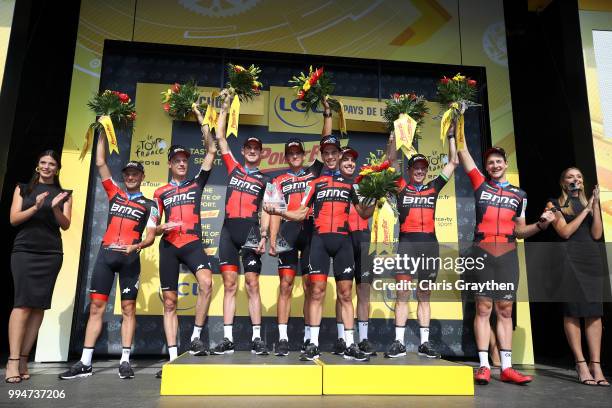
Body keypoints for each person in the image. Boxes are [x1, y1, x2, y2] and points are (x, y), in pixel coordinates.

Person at [265, 135, 375, 362]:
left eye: (335, 153)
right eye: (327, 153)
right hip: (319, 242)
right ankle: (312, 344)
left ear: (339, 155)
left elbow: (364, 213)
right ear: (323, 157)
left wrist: (373, 196)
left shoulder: (351, 184)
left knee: (346, 294)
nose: (331, 157)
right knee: (316, 292)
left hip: (343, 241)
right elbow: (300, 213)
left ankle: (350, 343)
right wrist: (279, 212)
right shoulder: (314, 183)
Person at [59, 135, 157, 380]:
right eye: (128, 173)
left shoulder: (150, 204)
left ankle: (124, 361)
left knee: (128, 308)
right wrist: (102, 130)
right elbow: (101, 162)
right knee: (96, 308)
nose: (131, 177)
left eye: (135, 174)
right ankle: (85, 362)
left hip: (129, 259)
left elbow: (151, 237)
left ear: (142, 177)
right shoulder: (115, 192)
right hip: (106, 255)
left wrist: (138, 247)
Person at [458, 140, 555, 385]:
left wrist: (542, 224)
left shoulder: (519, 195)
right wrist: (454, 127)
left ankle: (508, 368)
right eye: (490, 162)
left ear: (505, 164)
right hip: (483, 251)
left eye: (498, 161)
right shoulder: (480, 184)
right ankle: (483, 366)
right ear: (487, 167)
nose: (494, 165)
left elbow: (521, 232)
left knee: (505, 310)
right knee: (483, 309)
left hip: (508, 253)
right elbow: (463, 153)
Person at [153, 110, 217, 378]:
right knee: (169, 303)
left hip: (191, 242)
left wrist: (200, 117)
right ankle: (171, 358)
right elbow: (151, 226)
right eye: (177, 160)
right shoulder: (160, 192)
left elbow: (212, 150)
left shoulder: (196, 183)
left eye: (184, 160)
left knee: (207, 283)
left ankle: (195, 338)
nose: (182, 163)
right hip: (168, 245)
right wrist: (159, 227)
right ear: (169, 164)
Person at [385, 126, 458, 359]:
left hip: (429, 246)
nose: (418, 171)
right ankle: (398, 342)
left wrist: (451, 136)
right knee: (403, 293)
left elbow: (454, 162)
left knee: (424, 295)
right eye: (415, 168)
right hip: (407, 244)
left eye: (422, 168)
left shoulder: (434, 187)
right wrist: (393, 138)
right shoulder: (401, 186)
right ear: (409, 170)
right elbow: (390, 161)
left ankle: (425, 343)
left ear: (427, 171)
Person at [213, 90, 272, 355]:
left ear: (261, 153)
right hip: (228, 231)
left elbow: (269, 210)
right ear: (243, 151)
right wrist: (225, 107)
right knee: (229, 285)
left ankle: (257, 337)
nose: (252, 152)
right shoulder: (233, 168)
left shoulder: (265, 180)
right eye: (248, 148)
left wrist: (264, 237)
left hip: (249, 231)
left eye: (256, 149)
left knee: (252, 284)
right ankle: (227, 338)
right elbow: (220, 137)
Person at [7, 150, 72, 384]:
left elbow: (65, 225)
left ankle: (24, 358)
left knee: (38, 307)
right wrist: (35, 207)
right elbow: (13, 219)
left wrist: (54, 207)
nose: (46, 167)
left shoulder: (65, 194)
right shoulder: (23, 189)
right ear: (37, 166)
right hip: (25, 251)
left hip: (51, 253)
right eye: (43, 163)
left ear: (57, 168)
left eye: (51, 164)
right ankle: (13, 361)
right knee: (22, 304)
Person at [547, 168, 608, 386]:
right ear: (563, 182)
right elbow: (564, 232)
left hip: (591, 258)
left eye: (579, 177)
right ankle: (580, 363)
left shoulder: (589, 204)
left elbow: (597, 234)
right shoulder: (554, 204)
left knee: (594, 311)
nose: (576, 180)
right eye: (571, 177)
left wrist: (595, 207)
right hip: (569, 260)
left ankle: (596, 364)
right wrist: (584, 211)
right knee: (572, 310)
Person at [269, 137, 323, 356]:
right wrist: (272, 240)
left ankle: (309, 338)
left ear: (304, 154)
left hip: (310, 231)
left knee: (311, 285)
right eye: (290, 153)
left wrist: (327, 115)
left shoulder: (313, 173)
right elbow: (273, 212)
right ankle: (283, 338)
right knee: (285, 285)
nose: (294, 156)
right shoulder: (277, 180)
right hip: (287, 232)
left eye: (298, 152)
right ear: (286, 156)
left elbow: (324, 141)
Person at [331, 145, 375, 357]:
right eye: (345, 159)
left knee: (364, 290)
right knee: (344, 291)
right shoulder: (333, 182)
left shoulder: (363, 184)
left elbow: (368, 211)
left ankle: (364, 339)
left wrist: (376, 193)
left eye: (352, 160)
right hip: (344, 238)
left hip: (364, 239)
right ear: (338, 161)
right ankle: (342, 338)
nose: (349, 163)